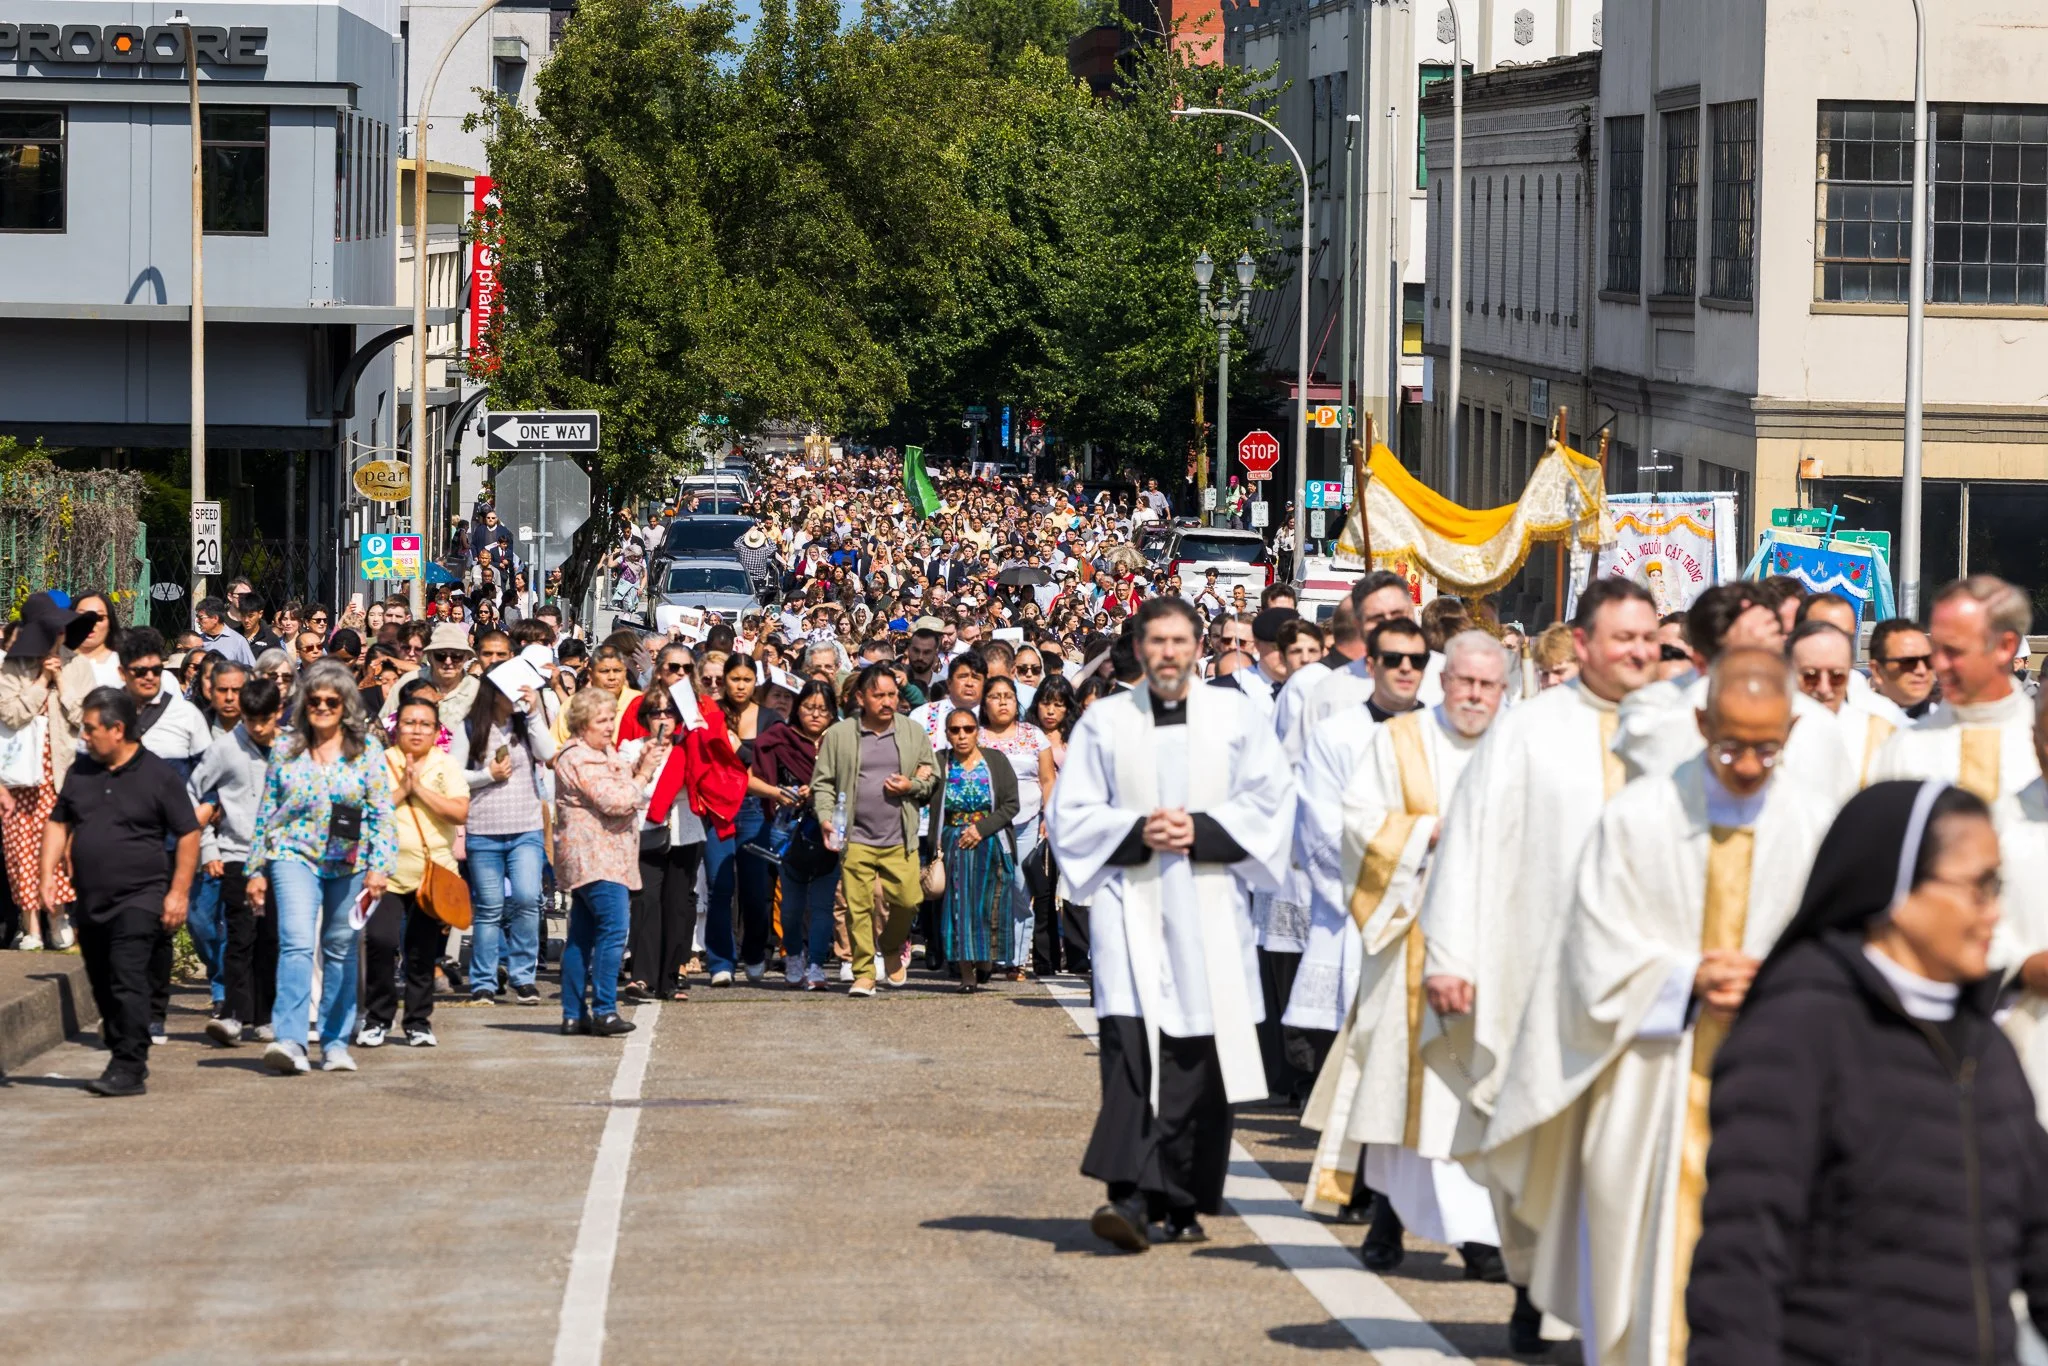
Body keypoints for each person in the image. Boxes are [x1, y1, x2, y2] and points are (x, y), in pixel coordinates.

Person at [1473, 650, 1840, 1362]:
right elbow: (1591, 945)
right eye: (1730, 743)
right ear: (1700, 722)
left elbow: (1839, 941)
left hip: (1775, 1079)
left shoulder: (1814, 824)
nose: (1747, 764)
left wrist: (1774, 980)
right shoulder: (1640, 816)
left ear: (1792, 730)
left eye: (1768, 747)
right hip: (1649, 1074)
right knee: (1639, 1262)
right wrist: (1685, 977)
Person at [1687, 780, 2048, 1362]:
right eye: (1980, 887)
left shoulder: (1984, 1047)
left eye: (1997, 887)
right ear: (1899, 890)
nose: (1995, 912)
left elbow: (2039, 1235)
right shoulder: (1799, 1030)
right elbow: (1741, 1260)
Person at [1415, 578, 1659, 1349]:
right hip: (1539, 974)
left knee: (1626, 1157)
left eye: (1648, 639)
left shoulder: (1680, 731)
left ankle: (1611, 1312)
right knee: (1536, 1134)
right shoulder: (1528, 732)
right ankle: (1534, 1290)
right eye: (1624, 639)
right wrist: (1451, 955)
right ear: (1582, 646)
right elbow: (1472, 843)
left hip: (1647, 988)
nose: (1640, 653)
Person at [1047, 596, 1294, 1251]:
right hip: (1130, 910)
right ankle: (1126, 1199)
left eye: (1180, 641)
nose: (1168, 653)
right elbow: (1069, 815)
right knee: (1131, 1053)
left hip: (1209, 905)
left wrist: (1203, 829)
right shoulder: (1104, 722)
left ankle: (1179, 1196)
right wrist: (1135, 829)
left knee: (1195, 1064)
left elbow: (1272, 802)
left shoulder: (1236, 718)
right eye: (1156, 641)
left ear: (1199, 646)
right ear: (1139, 645)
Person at [1296, 629, 1509, 1268]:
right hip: (1410, 934)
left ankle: (1479, 1237)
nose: (1475, 695)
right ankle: (1385, 1223)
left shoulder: (1518, 746)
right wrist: (1427, 833)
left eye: (1488, 685)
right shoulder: (1399, 740)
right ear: (1444, 683)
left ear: (1503, 689)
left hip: (1493, 943)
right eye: (1465, 681)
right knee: (1397, 1086)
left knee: (1475, 1089)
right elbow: (1358, 823)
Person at [38, 688, 200, 1095]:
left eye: (91, 729)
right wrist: (45, 877)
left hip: (141, 896)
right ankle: (124, 1046)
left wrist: (178, 892)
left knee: (128, 976)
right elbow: (60, 822)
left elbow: (188, 834)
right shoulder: (82, 771)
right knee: (103, 979)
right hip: (91, 898)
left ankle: (129, 1065)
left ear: (118, 729)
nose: (85, 736)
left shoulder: (159, 776)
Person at [246, 660, 396, 1076]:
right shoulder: (285, 747)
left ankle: (333, 1042)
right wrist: (255, 869)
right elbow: (267, 811)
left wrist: (379, 866)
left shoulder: (367, 752)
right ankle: (290, 1040)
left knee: (341, 947)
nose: (323, 707)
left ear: (345, 704)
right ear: (303, 703)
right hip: (293, 855)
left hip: (349, 862)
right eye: (315, 700)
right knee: (295, 942)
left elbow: (382, 813)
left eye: (332, 700)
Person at [810, 664, 938, 997]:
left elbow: (932, 777)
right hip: (856, 838)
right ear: (860, 697)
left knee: (909, 900)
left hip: (900, 836)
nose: (886, 701)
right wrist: (825, 816)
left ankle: (892, 945)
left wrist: (912, 784)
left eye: (892, 695)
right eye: (878, 695)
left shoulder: (912, 732)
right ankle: (864, 972)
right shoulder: (839, 735)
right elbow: (822, 783)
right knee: (858, 906)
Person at [358, 696, 469, 1049]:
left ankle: (418, 1021)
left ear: (437, 731)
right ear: (396, 726)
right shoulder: (380, 762)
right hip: (385, 872)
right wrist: (403, 789)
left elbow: (459, 811)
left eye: (425, 724)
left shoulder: (445, 765)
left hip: (432, 873)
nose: (417, 730)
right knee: (380, 942)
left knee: (422, 952)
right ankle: (378, 1018)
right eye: (410, 722)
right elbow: (367, 810)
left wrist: (419, 789)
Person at [554, 686, 664, 1036]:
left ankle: (573, 1014)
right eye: (601, 720)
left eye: (611, 719)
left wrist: (637, 761)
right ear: (582, 722)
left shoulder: (596, 751)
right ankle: (603, 1010)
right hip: (597, 859)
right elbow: (614, 800)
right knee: (614, 931)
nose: (609, 726)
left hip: (599, 859)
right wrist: (645, 773)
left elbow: (614, 777)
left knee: (582, 937)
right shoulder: (579, 756)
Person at [1870, 575, 2038, 802]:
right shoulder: (1906, 747)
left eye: (1953, 651)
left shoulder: (2037, 739)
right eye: (1936, 649)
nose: (1937, 664)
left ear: (2005, 647)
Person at [189, 677, 283, 1048]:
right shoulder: (225, 749)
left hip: (281, 857)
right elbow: (195, 792)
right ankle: (231, 1014)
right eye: (250, 719)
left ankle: (265, 1016)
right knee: (240, 936)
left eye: (264, 719)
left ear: (277, 713)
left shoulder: (292, 747)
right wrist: (208, 847)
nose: (257, 727)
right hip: (236, 854)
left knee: (272, 938)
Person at [0, 592, 93, 950]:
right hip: (18, 774)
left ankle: (57, 916)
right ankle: (31, 923)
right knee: (20, 849)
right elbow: (10, 714)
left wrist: (61, 683)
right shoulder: (11, 667)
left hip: (61, 770)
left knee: (56, 846)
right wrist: (40, 681)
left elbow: (83, 717)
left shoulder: (77, 665)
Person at [461, 672, 556, 1006]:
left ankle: (523, 977)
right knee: (488, 908)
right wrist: (488, 775)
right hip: (483, 829)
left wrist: (533, 714)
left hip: (525, 827)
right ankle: (484, 981)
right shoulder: (471, 725)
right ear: (494, 692)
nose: (517, 694)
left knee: (529, 899)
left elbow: (548, 753)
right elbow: (455, 772)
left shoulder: (525, 723)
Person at [753, 681, 838, 989]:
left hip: (829, 830)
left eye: (822, 709)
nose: (815, 715)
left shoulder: (839, 739)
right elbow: (752, 780)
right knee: (790, 906)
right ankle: (793, 955)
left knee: (822, 905)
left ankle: (816, 964)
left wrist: (821, 791)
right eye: (808, 708)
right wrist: (780, 792)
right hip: (789, 831)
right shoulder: (782, 738)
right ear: (797, 708)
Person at [977, 674, 1055, 980]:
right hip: (985, 823)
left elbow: (1047, 780)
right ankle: (986, 954)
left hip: (1028, 821)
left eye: (1008, 696)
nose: (1002, 702)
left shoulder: (1034, 735)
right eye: (995, 696)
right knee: (988, 889)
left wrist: (1049, 817)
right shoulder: (976, 735)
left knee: (1021, 890)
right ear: (985, 703)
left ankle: (1016, 959)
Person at [937, 708, 1020, 992]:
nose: (962, 735)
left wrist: (981, 829)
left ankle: (985, 960)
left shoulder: (995, 761)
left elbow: (1011, 804)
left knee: (989, 905)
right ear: (947, 734)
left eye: (968, 729)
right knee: (959, 906)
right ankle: (966, 973)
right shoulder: (940, 763)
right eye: (955, 730)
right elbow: (926, 798)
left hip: (991, 841)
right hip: (954, 842)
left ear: (977, 731)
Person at [718, 652, 787, 983]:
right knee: (719, 885)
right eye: (735, 679)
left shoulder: (770, 719)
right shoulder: (713, 713)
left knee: (754, 888)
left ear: (755, 682)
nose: (740, 686)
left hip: (755, 807)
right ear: (725, 680)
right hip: (716, 805)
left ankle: (755, 952)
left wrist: (738, 750)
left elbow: (770, 768)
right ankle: (721, 961)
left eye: (747, 680)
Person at [1868, 615, 1937, 719]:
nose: (1921, 670)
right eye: (1908, 662)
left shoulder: (1954, 727)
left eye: (1928, 660)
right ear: (1877, 671)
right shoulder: (1853, 726)